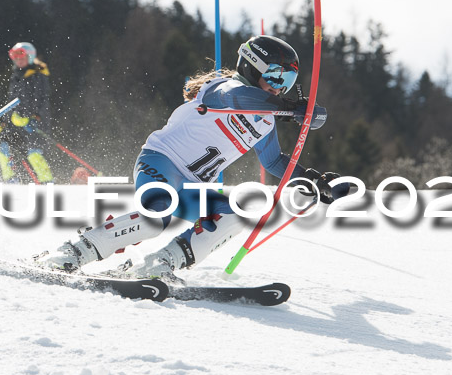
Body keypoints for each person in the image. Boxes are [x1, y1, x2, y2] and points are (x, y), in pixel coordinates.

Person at [37, 35, 348, 278]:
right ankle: (76, 251)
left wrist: (313, 180)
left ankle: (162, 263)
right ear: (252, 66)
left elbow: (274, 162)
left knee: (241, 211)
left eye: (289, 83)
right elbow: (238, 99)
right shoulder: (222, 88)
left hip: (193, 186)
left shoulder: (264, 120)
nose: (281, 88)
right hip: (159, 162)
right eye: (277, 77)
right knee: (157, 215)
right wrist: (291, 108)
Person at [0, 42, 54, 183]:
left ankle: (47, 182)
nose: (18, 60)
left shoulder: (37, 75)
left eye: (21, 56)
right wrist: (3, 121)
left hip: (34, 124)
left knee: (34, 154)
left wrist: (34, 118)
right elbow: (12, 103)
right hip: (16, 124)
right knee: (4, 151)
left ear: (30, 57)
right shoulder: (16, 76)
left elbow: (41, 100)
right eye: (15, 56)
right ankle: (11, 181)